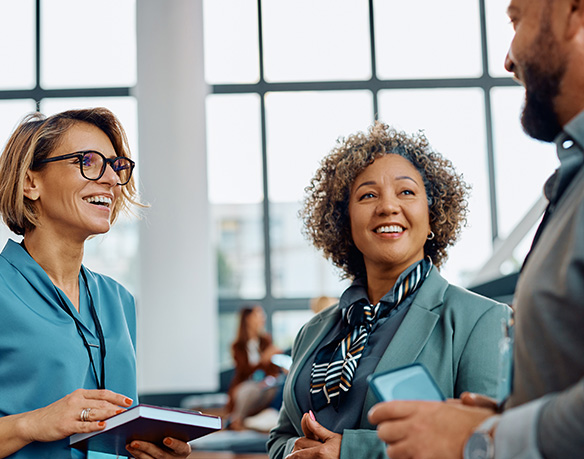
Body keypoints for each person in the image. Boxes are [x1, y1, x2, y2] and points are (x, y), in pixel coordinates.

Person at [0, 108, 192, 459]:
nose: (110, 178)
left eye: (116, 166)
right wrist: (32, 424)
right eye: (89, 161)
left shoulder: (118, 301)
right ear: (30, 182)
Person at [368, 1, 584, 458]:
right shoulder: (571, 183)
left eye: (517, 19)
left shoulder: (474, 316)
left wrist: (486, 438)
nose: (508, 59)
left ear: (575, 12)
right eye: (367, 196)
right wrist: (504, 417)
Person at [267, 122, 511, 459]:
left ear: (432, 215)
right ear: (345, 221)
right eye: (367, 195)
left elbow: (492, 443)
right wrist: (295, 449)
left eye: (406, 192)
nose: (387, 207)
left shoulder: (481, 320)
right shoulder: (313, 332)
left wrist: (350, 452)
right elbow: (280, 436)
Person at [226, 305, 283, 430]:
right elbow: (243, 371)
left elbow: (272, 370)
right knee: (249, 389)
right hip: (246, 386)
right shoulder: (238, 346)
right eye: (258, 315)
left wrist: (276, 361)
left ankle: (242, 420)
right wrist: (263, 359)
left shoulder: (265, 340)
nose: (262, 318)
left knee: (278, 386)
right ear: (248, 319)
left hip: (265, 386)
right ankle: (237, 419)